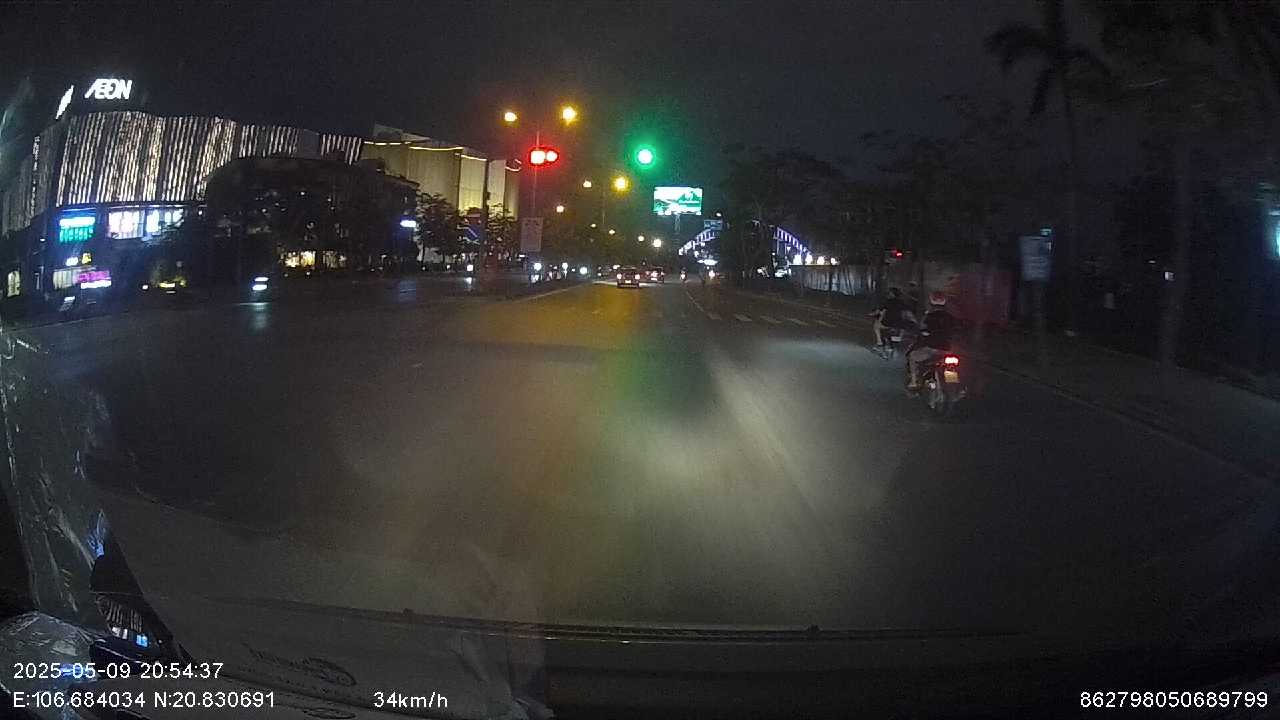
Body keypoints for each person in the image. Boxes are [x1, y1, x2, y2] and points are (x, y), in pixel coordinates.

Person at [906, 291, 956, 390]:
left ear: (931, 302)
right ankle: (953, 385)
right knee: (951, 368)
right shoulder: (950, 317)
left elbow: (922, 329)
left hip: (931, 348)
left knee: (912, 357)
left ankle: (914, 382)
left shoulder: (929, 316)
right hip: (947, 349)